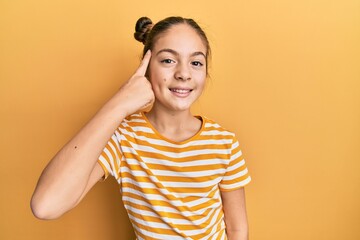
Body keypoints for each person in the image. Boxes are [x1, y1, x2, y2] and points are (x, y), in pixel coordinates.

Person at [31, 16, 251, 240]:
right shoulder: (124, 138)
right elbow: (45, 205)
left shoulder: (224, 143)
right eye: (168, 60)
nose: (184, 74)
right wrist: (119, 103)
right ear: (146, 68)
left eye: (196, 62)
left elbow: (237, 229)